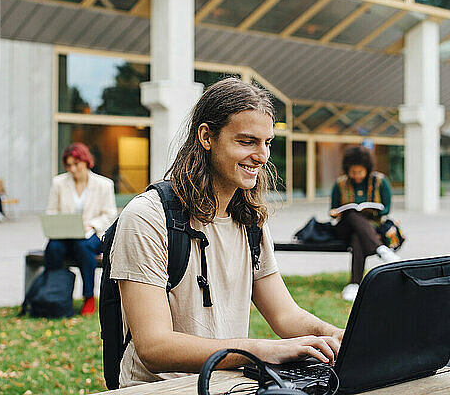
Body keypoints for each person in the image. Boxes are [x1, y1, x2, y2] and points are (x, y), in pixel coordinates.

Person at [109, 78, 344, 388]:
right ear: (207, 136)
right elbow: (154, 347)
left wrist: (337, 335)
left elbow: (285, 315)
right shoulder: (147, 217)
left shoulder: (251, 220)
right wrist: (261, 350)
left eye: (267, 142)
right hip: (161, 388)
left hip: (228, 385)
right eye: (247, 141)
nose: (262, 156)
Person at [44, 143, 117, 316]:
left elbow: (110, 214)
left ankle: (89, 296)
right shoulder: (59, 183)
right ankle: (55, 293)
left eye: (76, 164)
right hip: (66, 233)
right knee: (53, 247)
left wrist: (91, 224)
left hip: (92, 234)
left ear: (86, 162)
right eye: (69, 165)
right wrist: (63, 222)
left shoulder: (104, 184)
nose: (72, 169)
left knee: (83, 247)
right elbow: (51, 211)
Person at [330, 146, 399, 302]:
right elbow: (332, 210)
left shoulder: (380, 181)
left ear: (367, 169)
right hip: (344, 227)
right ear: (347, 170)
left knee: (358, 236)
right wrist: (336, 212)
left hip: (371, 228)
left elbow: (386, 208)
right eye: (353, 172)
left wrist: (372, 211)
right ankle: (381, 249)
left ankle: (354, 284)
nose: (356, 176)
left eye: (360, 172)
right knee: (352, 214)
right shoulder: (340, 183)